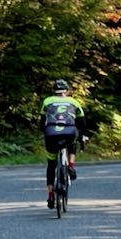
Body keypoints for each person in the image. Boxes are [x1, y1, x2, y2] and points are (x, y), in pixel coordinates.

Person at [41, 79, 85, 209]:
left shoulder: (47, 101)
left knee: (51, 164)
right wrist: (83, 134)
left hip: (51, 132)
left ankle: (50, 194)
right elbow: (81, 121)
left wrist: (44, 132)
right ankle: (71, 166)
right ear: (67, 90)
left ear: (54, 90)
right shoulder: (74, 102)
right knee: (72, 143)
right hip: (69, 131)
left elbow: (42, 120)